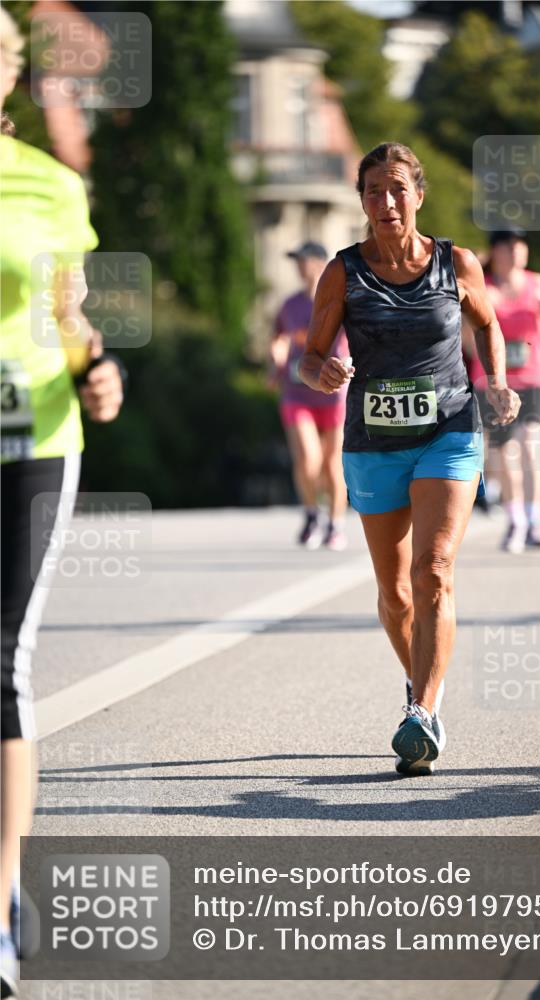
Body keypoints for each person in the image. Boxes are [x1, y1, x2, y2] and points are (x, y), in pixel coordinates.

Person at [299, 142, 520, 775]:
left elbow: (487, 324)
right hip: (374, 442)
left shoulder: (457, 263)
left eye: (398, 188)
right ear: (362, 202)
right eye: (374, 190)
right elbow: (310, 357)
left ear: (418, 195)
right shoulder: (343, 272)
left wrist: (497, 381)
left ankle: (422, 712)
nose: (387, 201)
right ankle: (423, 683)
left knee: (434, 568)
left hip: (449, 430)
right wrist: (322, 372)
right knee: (395, 593)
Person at [0, 11, 124, 996]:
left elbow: (67, 311)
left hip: (30, 438)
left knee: (2, 658)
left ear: (8, 71)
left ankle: (0, 896)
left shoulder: (48, 184)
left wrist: (96, 367)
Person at [466, 230, 540, 552]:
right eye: (509, 246)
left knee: (531, 444)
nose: (517, 251)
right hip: (495, 381)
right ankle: (515, 520)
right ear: (496, 251)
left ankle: (534, 521)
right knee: (505, 453)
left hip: (536, 377)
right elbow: (467, 340)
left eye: (521, 246)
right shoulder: (482, 288)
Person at [270, 241, 349, 551]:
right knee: (308, 458)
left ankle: (335, 524)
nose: (300, 267)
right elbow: (278, 336)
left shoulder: (339, 300)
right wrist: (276, 362)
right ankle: (311, 515)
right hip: (297, 393)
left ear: (319, 263)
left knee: (331, 464)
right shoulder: (290, 305)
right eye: (297, 261)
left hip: (333, 394)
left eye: (304, 260)